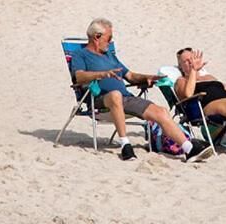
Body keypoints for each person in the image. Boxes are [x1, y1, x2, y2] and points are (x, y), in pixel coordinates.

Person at [70, 19, 211, 163]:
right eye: (109, 38)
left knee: (161, 112)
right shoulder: (80, 55)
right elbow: (79, 76)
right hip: (100, 101)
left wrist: (147, 78)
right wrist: (102, 74)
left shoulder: (109, 56)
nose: (110, 41)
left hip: (126, 99)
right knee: (115, 95)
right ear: (97, 37)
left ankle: (189, 149)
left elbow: (130, 76)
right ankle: (125, 145)